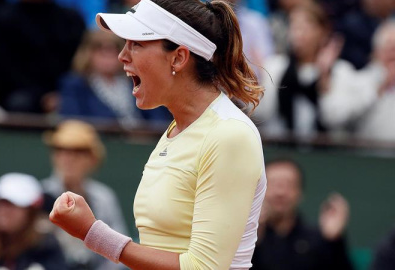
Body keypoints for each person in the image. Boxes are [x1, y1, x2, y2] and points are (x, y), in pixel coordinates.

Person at [49, 0, 267, 269]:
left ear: (178, 58)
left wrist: (93, 233)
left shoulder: (229, 135)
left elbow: (204, 267)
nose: (122, 56)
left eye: (136, 44)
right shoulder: (175, 131)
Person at [253, 1, 355, 139]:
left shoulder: (340, 71)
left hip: (326, 154)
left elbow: (334, 119)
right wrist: (253, 84)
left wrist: (324, 78)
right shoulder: (275, 66)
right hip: (283, 149)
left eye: (305, 27)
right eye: (294, 26)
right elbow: (262, 114)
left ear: (323, 32)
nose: (298, 34)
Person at [41, 120, 128, 270]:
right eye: (60, 150)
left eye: (78, 151)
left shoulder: (104, 197)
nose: (68, 158)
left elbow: (119, 251)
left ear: (92, 159)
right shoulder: (40, 195)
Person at [252, 158, 353, 270]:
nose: (280, 192)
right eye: (273, 184)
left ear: (300, 192)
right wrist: (252, 240)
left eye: (288, 184)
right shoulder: (247, 236)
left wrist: (334, 242)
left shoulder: (319, 239)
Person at [58, 30, 172, 130]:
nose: (108, 57)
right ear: (88, 54)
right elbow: (72, 122)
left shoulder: (137, 81)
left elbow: (158, 120)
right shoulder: (75, 85)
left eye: (113, 51)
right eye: (101, 51)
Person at [0, 0, 86, 113]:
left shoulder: (72, 19)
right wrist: (42, 97)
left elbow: (80, 64)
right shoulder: (3, 19)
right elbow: (3, 69)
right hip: (19, 92)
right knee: (20, 103)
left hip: (65, 91)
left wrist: (62, 93)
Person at [0, 173, 68, 270]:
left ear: (30, 212)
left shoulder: (46, 246)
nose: (3, 211)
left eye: (12, 205)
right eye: (0, 203)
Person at [320, 19, 395, 142]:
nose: (394, 55)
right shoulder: (359, 80)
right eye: (390, 48)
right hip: (365, 156)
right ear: (377, 52)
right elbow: (332, 117)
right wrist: (379, 89)